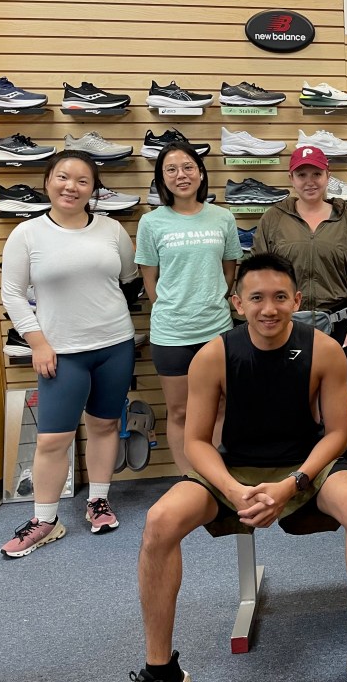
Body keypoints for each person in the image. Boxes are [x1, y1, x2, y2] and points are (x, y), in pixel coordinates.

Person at [133, 253, 347, 682]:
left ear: (296, 300)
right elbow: (195, 442)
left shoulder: (323, 350)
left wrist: (292, 483)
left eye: (281, 297)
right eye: (257, 298)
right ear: (237, 303)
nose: (269, 308)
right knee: (159, 520)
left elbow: (338, 434)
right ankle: (159, 669)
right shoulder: (212, 356)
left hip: (307, 466)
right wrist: (229, 488)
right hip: (233, 469)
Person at [0, 150, 139, 557]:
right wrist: (37, 341)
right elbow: (11, 293)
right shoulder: (26, 234)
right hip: (61, 353)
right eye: (63, 177)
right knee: (53, 439)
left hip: (115, 345)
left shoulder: (113, 230)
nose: (71, 186)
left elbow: (129, 282)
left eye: (82, 180)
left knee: (104, 426)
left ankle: (98, 500)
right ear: (47, 181)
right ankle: (46, 519)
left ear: (93, 189)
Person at [135, 141, 241, 473]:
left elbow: (229, 270)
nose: (181, 175)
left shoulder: (223, 217)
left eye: (188, 167)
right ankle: (190, 480)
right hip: (172, 333)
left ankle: (218, 476)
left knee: (221, 406)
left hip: (216, 329)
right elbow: (149, 279)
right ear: (161, 178)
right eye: (171, 169)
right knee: (180, 411)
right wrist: (170, 307)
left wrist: (211, 299)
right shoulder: (151, 223)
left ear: (200, 173)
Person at [253, 145, 347, 380]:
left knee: (334, 401)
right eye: (301, 175)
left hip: (338, 327)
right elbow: (259, 276)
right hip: (285, 325)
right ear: (291, 178)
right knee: (288, 399)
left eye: (317, 174)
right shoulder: (273, 219)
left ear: (328, 176)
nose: (309, 182)